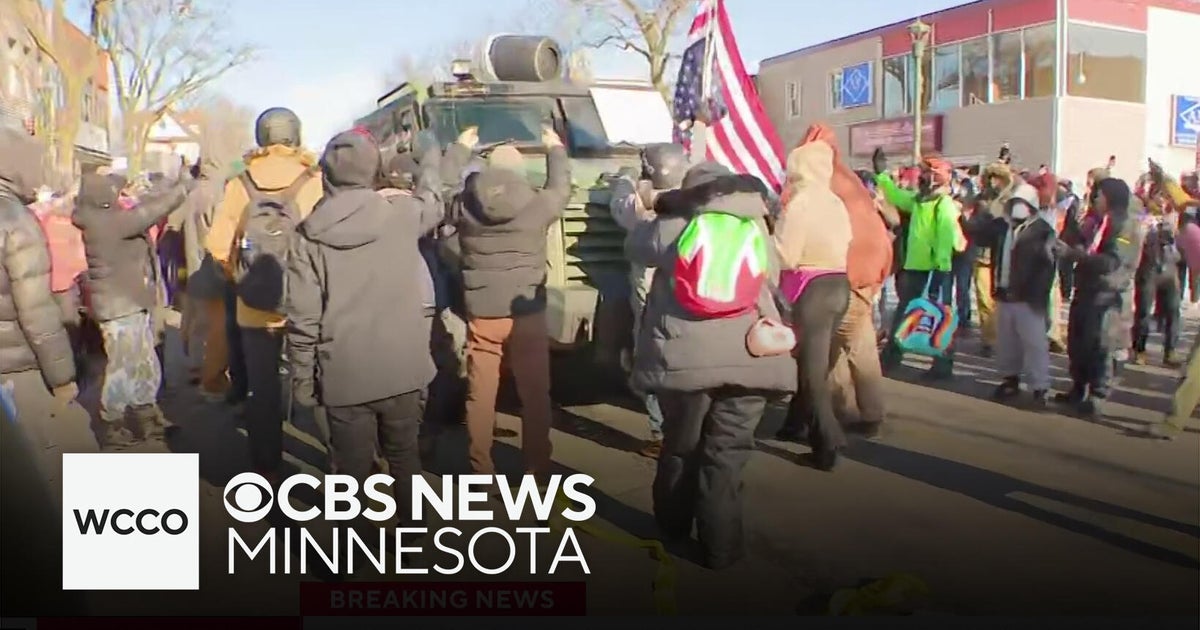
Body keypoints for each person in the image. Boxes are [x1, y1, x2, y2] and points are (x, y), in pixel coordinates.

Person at [628, 161, 796, 569]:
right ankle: (721, 550)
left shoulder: (674, 224)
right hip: (751, 360)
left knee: (681, 449)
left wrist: (657, 207)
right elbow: (771, 274)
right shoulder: (757, 225)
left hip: (684, 364)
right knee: (727, 454)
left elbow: (633, 247)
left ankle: (672, 531)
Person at [286, 126, 447, 525]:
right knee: (405, 459)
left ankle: (353, 551)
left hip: (345, 374)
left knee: (351, 473)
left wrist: (303, 381)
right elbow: (434, 200)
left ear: (326, 174)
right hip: (404, 367)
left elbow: (303, 318)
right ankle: (411, 538)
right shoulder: (403, 215)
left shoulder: (306, 238)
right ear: (373, 170)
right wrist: (429, 158)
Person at [206, 107, 323, 481]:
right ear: (295, 135)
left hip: (254, 305)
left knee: (262, 386)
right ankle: (338, 461)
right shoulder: (315, 180)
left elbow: (218, 245)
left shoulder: (240, 183)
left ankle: (266, 463)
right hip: (307, 302)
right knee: (318, 380)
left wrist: (240, 279)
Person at [448, 125, 568, 480]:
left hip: (483, 312)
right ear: (519, 172)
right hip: (526, 311)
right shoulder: (539, 204)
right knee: (534, 395)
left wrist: (458, 148)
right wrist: (555, 149)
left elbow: (439, 188)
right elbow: (561, 187)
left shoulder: (465, 205)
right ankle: (537, 468)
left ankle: (481, 470)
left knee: (481, 394)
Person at [0, 127, 95, 496]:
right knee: (48, 464)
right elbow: (37, 310)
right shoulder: (15, 221)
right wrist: (62, 376)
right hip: (17, 369)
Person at [74, 171, 188, 447]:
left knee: (144, 361)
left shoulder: (102, 216)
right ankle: (112, 424)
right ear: (102, 198)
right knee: (122, 367)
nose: (118, 194)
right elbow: (148, 212)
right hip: (118, 306)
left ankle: (146, 415)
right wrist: (182, 187)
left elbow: (141, 206)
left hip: (131, 302)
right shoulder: (104, 222)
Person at [800, 127, 892, 440]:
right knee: (850, 345)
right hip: (865, 274)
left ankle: (850, 413)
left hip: (840, 276)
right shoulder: (850, 183)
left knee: (840, 347)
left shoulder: (822, 187)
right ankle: (862, 411)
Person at [771, 141, 852, 470]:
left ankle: (826, 442)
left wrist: (768, 239)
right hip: (839, 284)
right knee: (816, 364)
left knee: (811, 373)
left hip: (810, 288)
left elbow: (786, 254)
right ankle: (793, 425)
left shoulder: (801, 202)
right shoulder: (835, 201)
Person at [608, 142, 690, 459]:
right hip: (686, 290)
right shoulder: (694, 201)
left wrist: (626, 178)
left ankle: (660, 431)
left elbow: (621, 207)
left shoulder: (640, 205)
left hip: (650, 289)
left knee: (650, 353)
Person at [1055, 177, 1143, 420]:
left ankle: (1098, 394)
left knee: (1101, 345)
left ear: (1112, 197)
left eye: (1100, 194)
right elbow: (1085, 246)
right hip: (1086, 288)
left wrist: (1074, 255)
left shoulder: (1126, 226)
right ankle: (1078, 387)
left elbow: (1112, 262)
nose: (1095, 198)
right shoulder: (1095, 222)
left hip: (1108, 294)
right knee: (1078, 341)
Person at [872, 148, 962, 379]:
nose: (920, 177)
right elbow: (895, 196)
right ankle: (891, 357)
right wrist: (881, 175)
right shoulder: (920, 201)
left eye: (925, 173)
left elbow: (945, 239)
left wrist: (941, 271)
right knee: (906, 312)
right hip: (913, 268)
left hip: (934, 271)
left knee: (939, 316)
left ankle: (942, 364)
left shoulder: (943, 204)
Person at [967, 182, 1057, 406]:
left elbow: (1047, 268)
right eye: (1014, 202)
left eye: (1022, 203)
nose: (1018, 207)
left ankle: (1040, 387)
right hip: (1004, 293)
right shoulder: (1000, 226)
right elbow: (977, 235)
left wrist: (1038, 297)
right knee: (1007, 343)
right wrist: (975, 212)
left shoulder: (1043, 231)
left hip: (1029, 298)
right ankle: (1010, 380)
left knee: (1034, 344)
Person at [1132, 208, 1182, 366]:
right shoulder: (1141, 215)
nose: (1163, 201)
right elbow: (1136, 239)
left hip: (1170, 268)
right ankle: (1140, 349)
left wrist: (1172, 227)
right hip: (1149, 268)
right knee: (1143, 312)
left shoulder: (1175, 215)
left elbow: (1178, 240)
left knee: (1173, 311)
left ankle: (1170, 351)